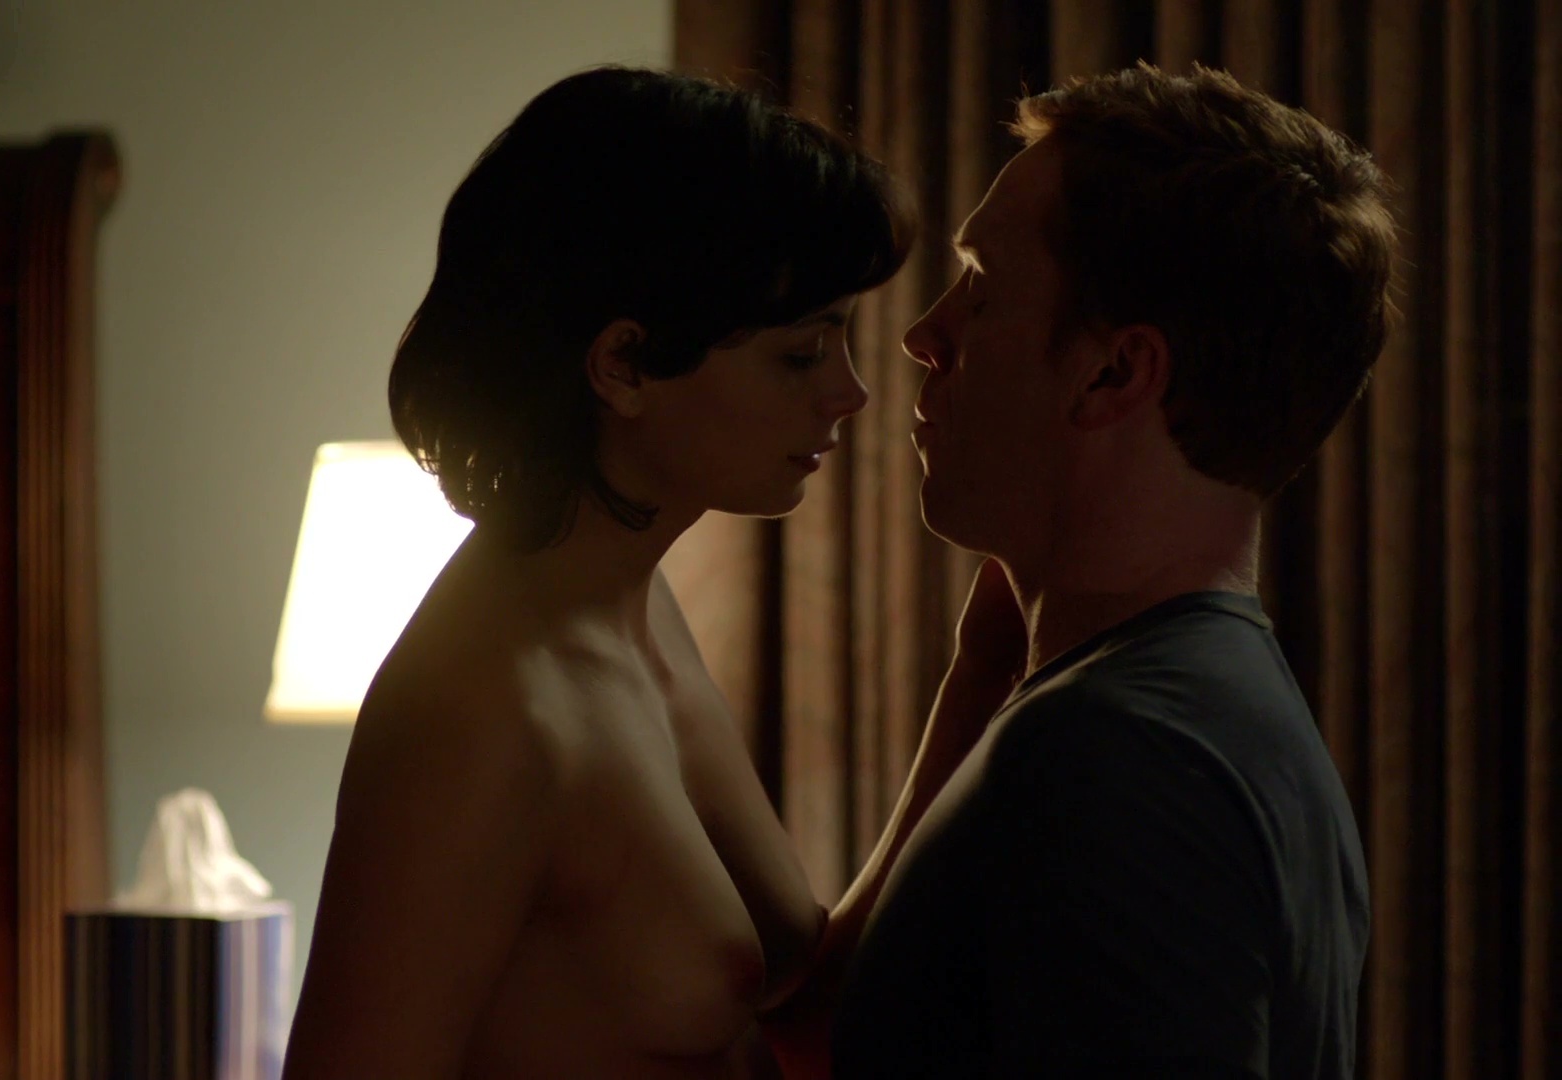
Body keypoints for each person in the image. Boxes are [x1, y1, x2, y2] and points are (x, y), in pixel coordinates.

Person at [280, 66, 914, 1080]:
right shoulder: (485, 710)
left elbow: (808, 991)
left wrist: (989, 670)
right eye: (802, 355)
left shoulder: (638, 607)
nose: (852, 393)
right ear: (622, 364)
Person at [770, 64, 1399, 1078]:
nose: (923, 336)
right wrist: (984, 679)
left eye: (981, 288)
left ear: (1112, 372)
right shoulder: (1198, 712)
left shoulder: (1120, 757)